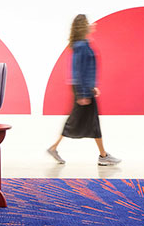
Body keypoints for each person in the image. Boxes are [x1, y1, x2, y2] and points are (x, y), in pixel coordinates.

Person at [47, 14, 121, 166]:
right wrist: (82, 93)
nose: (91, 24)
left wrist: (91, 87)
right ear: (83, 26)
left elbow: (86, 70)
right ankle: (103, 155)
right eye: (88, 23)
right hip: (81, 90)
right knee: (83, 121)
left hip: (85, 88)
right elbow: (77, 71)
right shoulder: (80, 46)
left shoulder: (84, 44)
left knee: (83, 121)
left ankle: (101, 155)